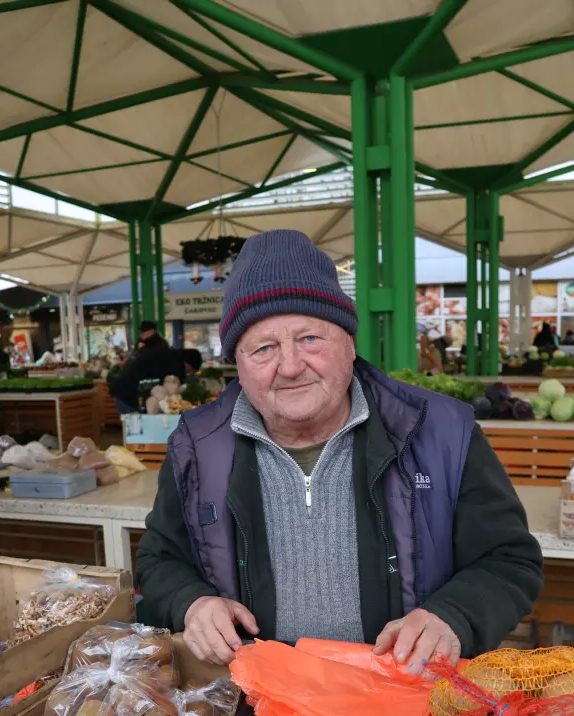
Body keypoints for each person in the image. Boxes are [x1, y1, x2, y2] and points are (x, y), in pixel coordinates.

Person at [136, 230, 543, 675]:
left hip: (404, 702)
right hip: (254, 705)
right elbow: (159, 560)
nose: (289, 367)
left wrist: (454, 616)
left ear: (349, 343)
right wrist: (190, 603)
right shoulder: (197, 444)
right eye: (264, 348)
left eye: (310, 338)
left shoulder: (441, 432)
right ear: (238, 362)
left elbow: (509, 560)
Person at [110, 345, 201, 414]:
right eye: (191, 370)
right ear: (189, 364)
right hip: (128, 395)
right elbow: (173, 389)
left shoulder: (170, 356)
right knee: (136, 430)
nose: (188, 373)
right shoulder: (176, 365)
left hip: (125, 391)